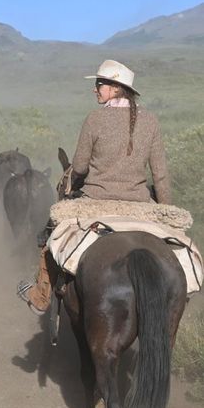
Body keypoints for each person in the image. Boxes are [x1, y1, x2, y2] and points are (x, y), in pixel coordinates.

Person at [18, 59, 171, 314]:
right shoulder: (151, 121)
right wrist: (165, 210)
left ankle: (41, 295)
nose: (95, 89)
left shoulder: (95, 119)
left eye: (100, 84)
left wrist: (73, 187)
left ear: (115, 88)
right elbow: (160, 173)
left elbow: (78, 166)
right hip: (140, 204)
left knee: (52, 240)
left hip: (95, 200)